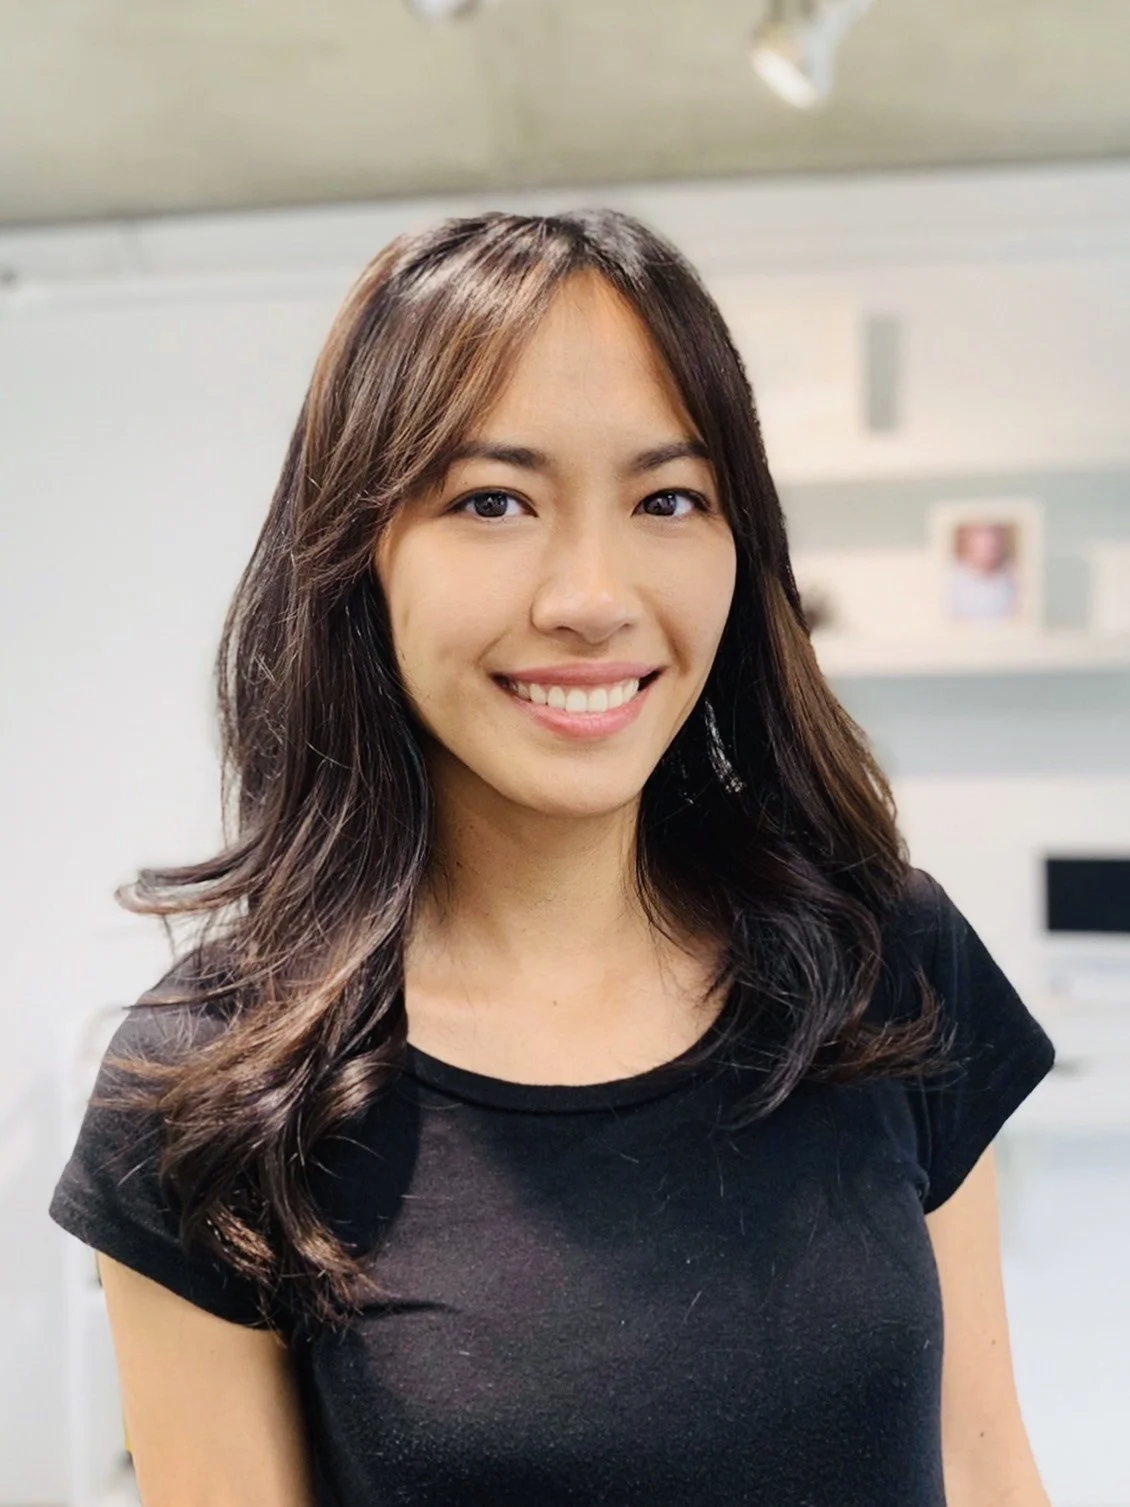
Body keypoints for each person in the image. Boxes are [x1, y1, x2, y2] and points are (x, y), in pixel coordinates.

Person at [49, 210, 1056, 1506]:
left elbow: (984, 1467)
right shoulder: (210, 1085)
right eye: (492, 500)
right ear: (360, 559)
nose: (591, 593)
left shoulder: (878, 952)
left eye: (667, 498)